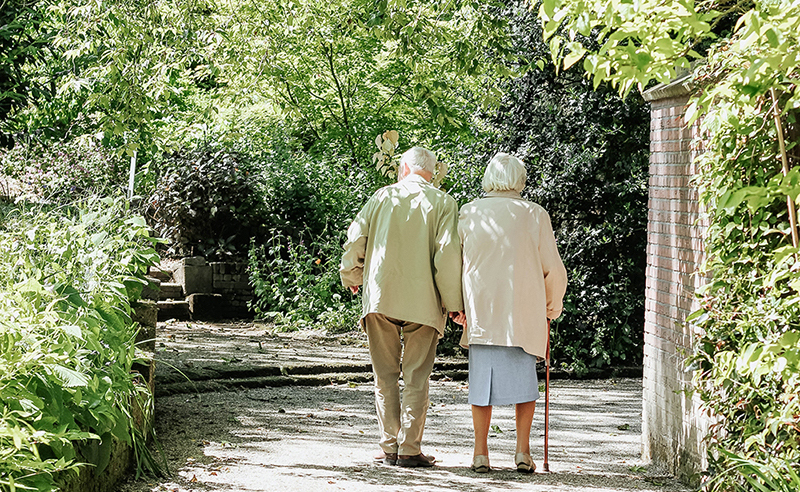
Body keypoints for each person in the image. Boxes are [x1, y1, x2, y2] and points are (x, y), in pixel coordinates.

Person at [340, 146, 463, 468]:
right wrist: (454, 304)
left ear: (403, 168)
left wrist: (351, 274)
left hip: (382, 296)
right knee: (416, 377)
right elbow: (447, 256)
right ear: (432, 173)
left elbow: (356, 239)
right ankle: (409, 449)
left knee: (384, 376)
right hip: (424, 301)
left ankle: (389, 446)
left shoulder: (381, 197)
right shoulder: (444, 203)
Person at [453, 152, 567, 474]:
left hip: (483, 312)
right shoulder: (535, 215)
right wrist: (551, 306)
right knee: (525, 385)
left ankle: (480, 453)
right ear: (520, 180)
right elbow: (553, 270)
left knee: (480, 386)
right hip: (523, 313)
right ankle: (522, 451)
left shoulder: (469, 212)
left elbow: (455, 264)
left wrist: (457, 306)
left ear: (490, 178)